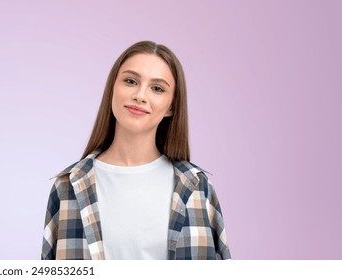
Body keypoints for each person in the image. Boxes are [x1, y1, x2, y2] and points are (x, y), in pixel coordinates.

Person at [41, 41, 231, 260]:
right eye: (130, 81)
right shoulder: (68, 186)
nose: (140, 95)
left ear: (171, 106)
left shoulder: (197, 187)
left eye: (157, 88)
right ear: (113, 87)